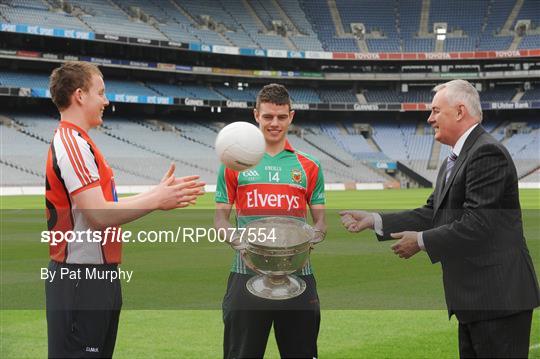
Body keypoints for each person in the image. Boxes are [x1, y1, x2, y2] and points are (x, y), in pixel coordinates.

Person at [340, 79, 539, 358]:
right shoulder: (454, 159)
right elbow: (432, 212)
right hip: (476, 300)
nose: (429, 118)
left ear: (459, 112)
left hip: (498, 299)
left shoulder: (485, 152)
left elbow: (478, 224)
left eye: (435, 110)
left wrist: (420, 242)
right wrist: (374, 220)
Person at [45, 61, 205, 358]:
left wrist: (157, 194)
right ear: (80, 95)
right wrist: (156, 199)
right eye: (101, 92)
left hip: (93, 277)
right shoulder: (72, 143)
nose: (106, 100)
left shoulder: (80, 142)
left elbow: (104, 208)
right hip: (81, 279)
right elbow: (98, 215)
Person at [214, 83, 327, 359]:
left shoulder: (309, 165)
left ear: (291, 116)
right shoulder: (235, 162)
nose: (274, 123)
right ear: (256, 115)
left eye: (280, 116)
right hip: (246, 273)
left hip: (298, 275)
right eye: (267, 116)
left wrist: (313, 237)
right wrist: (235, 240)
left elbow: (321, 222)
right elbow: (220, 219)